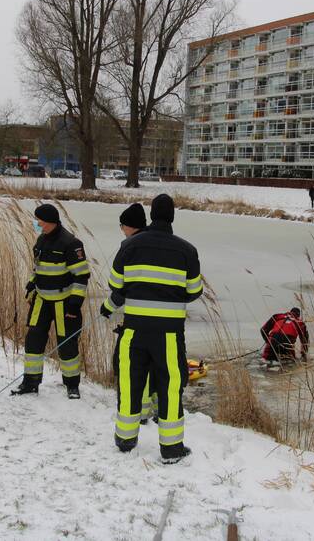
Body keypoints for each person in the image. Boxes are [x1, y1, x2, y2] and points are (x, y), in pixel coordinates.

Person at [104, 194, 202, 464]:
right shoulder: (186, 250)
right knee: (170, 387)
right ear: (172, 216)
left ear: (151, 214)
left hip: (133, 330)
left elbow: (116, 285)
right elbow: (194, 291)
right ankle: (171, 449)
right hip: (168, 334)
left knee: (130, 382)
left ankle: (125, 439)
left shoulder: (130, 246)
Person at [12, 203, 90, 399]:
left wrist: (74, 304)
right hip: (42, 300)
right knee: (33, 341)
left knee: (67, 345)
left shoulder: (71, 243)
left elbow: (81, 276)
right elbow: (38, 269)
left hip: (64, 303)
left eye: (40, 220)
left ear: (50, 222)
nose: (37, 223)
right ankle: (30, 382)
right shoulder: (41, 240)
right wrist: (31, 284)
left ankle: (72, 385)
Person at [103, 203, 158, 424]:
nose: (121, 230)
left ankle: (141, 413)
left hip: (138, 318)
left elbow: (120, 286)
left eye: (122, 226)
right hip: (166, 320)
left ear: (129, 226)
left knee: (134, 365)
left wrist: (107, 307)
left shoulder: (131, 247)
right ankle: (157, 409)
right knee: (157, 365)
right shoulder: (159, 243)